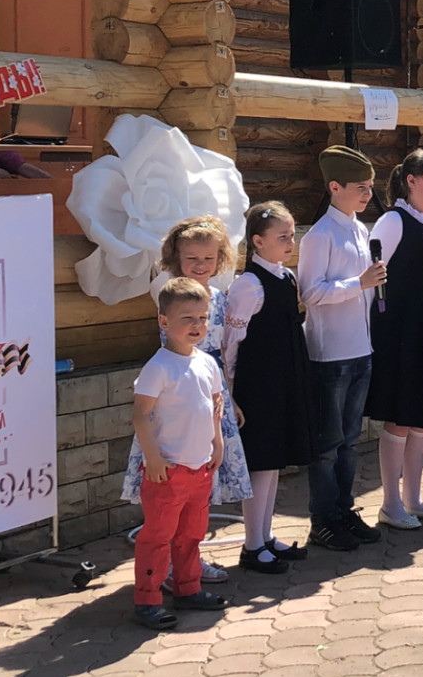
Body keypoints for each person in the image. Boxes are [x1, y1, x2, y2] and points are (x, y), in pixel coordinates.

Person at [121, 215, 252, 586]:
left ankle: (188, 563)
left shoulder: (220, 299)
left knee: (200, 490)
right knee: (172, 491)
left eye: (208, 258)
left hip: (210, 393)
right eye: (192, 258)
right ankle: (164, 567)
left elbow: (220, 352)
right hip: (178, 401)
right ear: (176, 258)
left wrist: (230, 396)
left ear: (219, 259)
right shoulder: (172, 296)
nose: (200, 265)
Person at [297, 146, 386, 551]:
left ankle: (343, 509)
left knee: (350, 441)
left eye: (370, 187)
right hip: (330, 354)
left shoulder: (360, 230)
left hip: (360, 350)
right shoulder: (319, 236)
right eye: (360, 187)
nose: (368, 194)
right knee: (328, 445)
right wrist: (359, 284)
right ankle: (323, 519)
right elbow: (310, 293)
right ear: (335, 187)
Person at [131, 277, 230, 630]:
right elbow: (141, 415)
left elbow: (215, 406)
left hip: (200, 470)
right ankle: (147, 599)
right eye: (187, 318)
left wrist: (217, 443)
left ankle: (188, 588)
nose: (197, 325)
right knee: (158, 537)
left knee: (191, 534)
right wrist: (153, 458)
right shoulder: (158, 368)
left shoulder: (207, 363)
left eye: (202, 318)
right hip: (168, 472)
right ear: (164, 321)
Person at [224, 201, 316, 572]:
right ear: (258, 241)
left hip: (284, 377)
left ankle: (265, 536)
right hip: (257, 383)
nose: (290, 243)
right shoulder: (247, 285)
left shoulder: (286, 277)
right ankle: (251, 545)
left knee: (274, 461)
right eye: (282, 237)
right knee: (260, 462)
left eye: (292, 236)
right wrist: (230, 388)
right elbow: (232, 341)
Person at [366, 149, 423, 529]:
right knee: (400, 419)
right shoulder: (392, 221)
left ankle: (413, 500)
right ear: (411, 181)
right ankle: (390, 505)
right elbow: (371, 280)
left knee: (422, 420)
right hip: (399, 333)